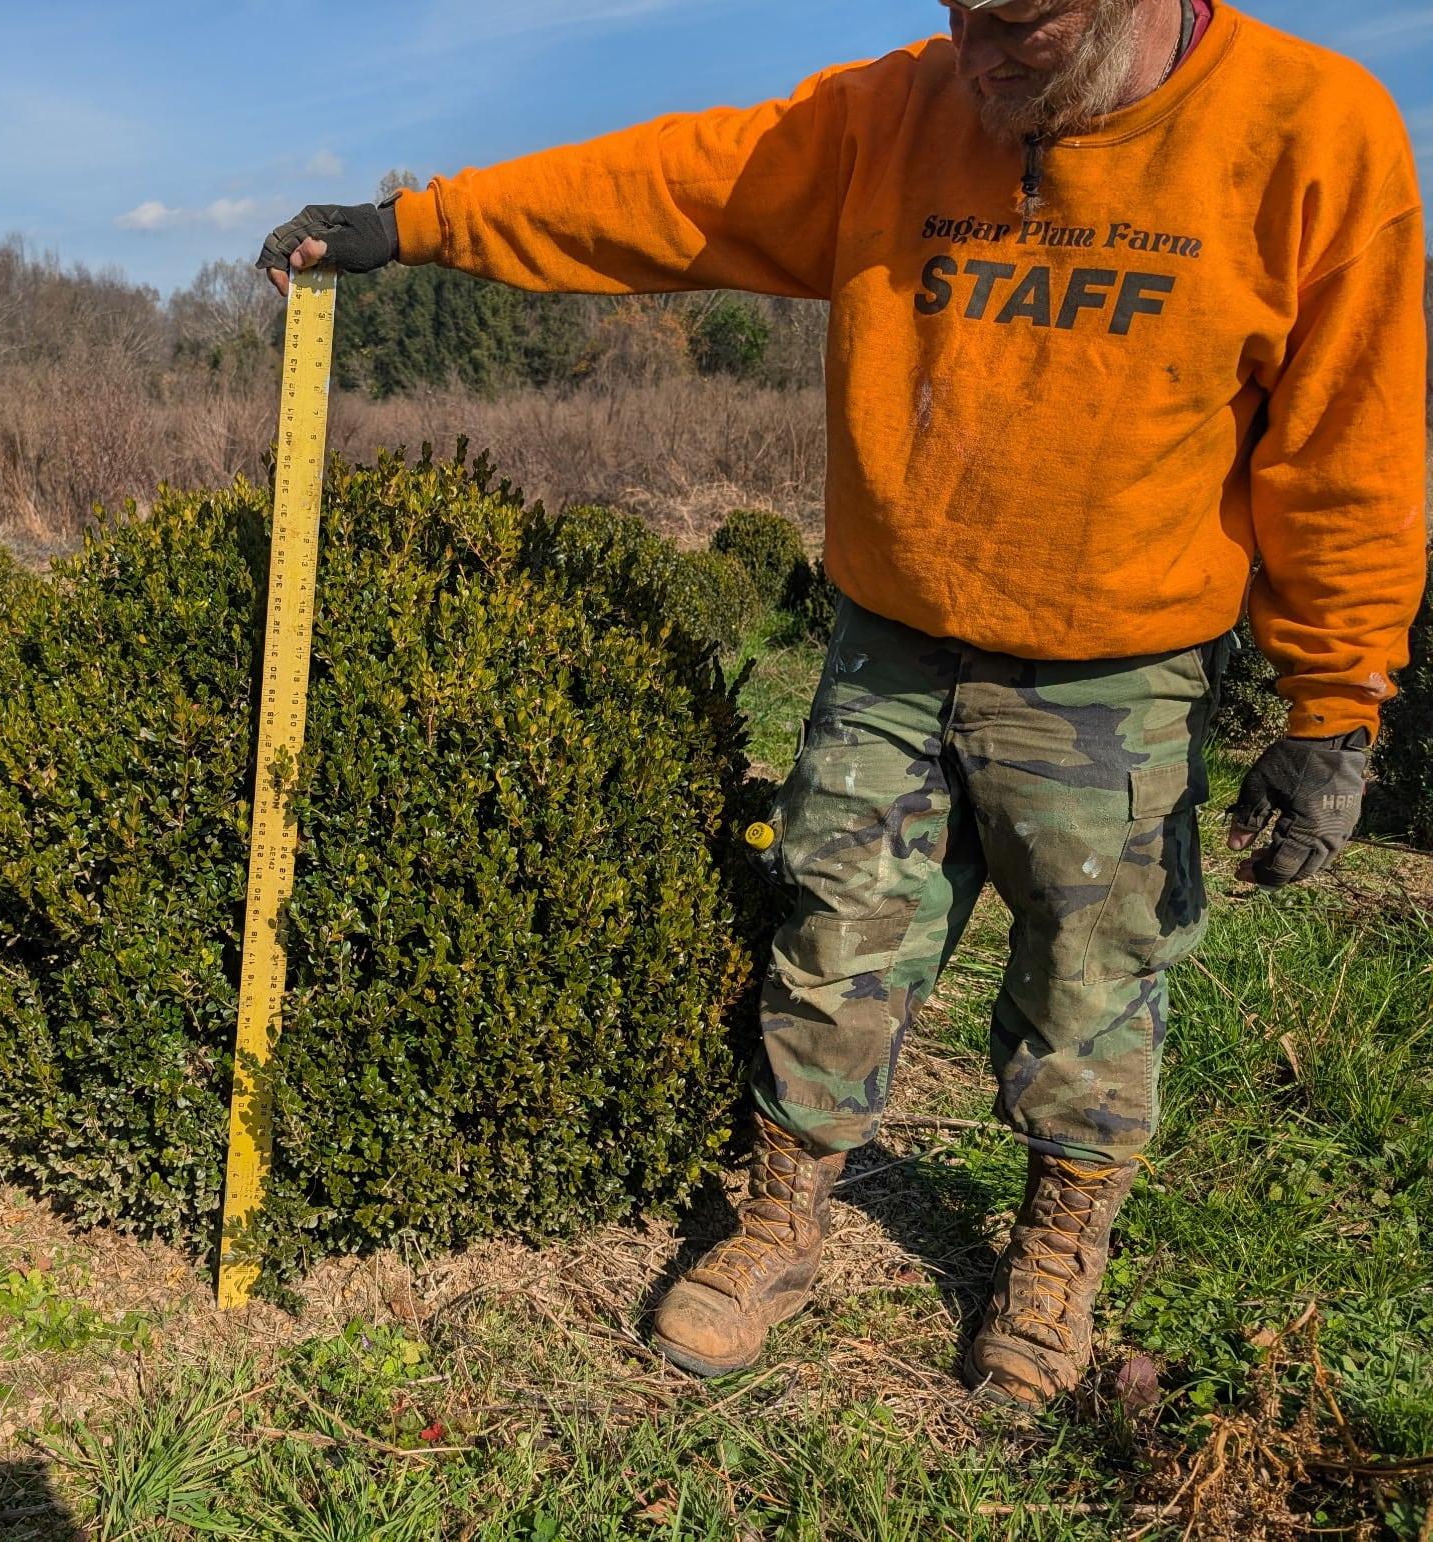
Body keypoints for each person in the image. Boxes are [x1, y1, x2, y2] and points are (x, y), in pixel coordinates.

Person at [256, 0, 1425, 1406]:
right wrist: (422, 224)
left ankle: (1055, 1256)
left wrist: (1335, 701)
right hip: (893, 643)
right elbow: (668, 185)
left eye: (1026, 33)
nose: (981, 61)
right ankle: (781, 1220)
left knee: (1095, 981)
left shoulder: (1313, 134)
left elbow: (1349, 437)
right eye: (962, 17)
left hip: (1118, 666)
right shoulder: (894, 117)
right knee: (833, 931)